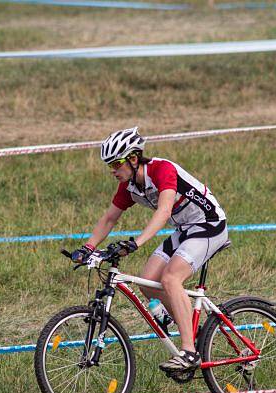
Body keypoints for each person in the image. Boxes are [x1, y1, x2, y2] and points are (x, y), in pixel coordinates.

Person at [70, 126, 228, 374]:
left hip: (209, 224)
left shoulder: (161, 170)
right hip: (186, 228)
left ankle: (189, 351)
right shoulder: (130, 185)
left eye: (116, 164)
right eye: (109, 165)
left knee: (170, 277)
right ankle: (193, 331)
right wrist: (88, 247)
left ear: (133, 159)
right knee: (147, 282)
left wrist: (137, 242)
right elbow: (109, 218)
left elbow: (164, 211)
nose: (113, 170)